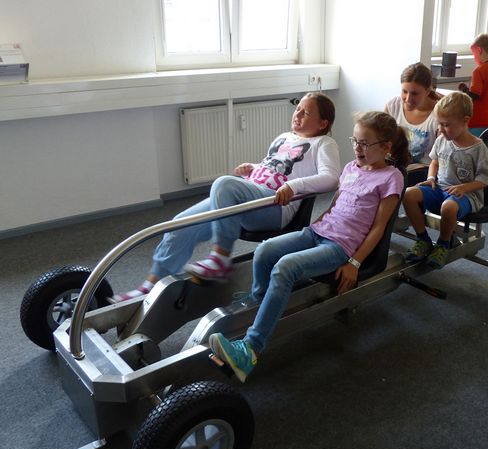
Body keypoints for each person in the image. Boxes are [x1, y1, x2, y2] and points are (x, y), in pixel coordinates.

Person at [209, 111, 409, 382]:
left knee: (285, 267)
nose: (357, 148)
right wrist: (315, 228)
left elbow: (379, 227)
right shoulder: (351, 168)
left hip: (340, 247)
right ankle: (260, 303)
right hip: (317, 232)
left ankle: (250, 350)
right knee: (265, 250)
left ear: (385, 147)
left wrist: (354, 262)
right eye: (355, 141)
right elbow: (336, 206)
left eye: (365, 143)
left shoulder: (391, 177)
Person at [110, 92, 341, 302]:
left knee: (224, 184)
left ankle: (219, 258)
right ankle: (150, 285)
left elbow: (331, 178)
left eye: (305, 113)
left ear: (323, 123)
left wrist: (294, 186)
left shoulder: (324, 143)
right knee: (180, 223)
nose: (297, 115)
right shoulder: (284, 137)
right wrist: (253, 168)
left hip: (274, 206)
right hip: (251, 196)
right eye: (297, 109)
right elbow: (275, 167)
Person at [402, 91, 488, 269]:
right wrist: (430, 178)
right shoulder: (442, 140)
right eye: (439, 124)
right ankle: (423, 240)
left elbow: (485, 180)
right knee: (409, 194)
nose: (441, 129)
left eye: (446, 125)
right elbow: (435, 162)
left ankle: (443, 245)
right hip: (440, 188)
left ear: (465, 121)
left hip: (467, 196)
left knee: (449, 207)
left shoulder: (478, 148)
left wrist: (463, 188)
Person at [385, 62, 440, 185]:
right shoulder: (392, 106)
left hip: (425, 173)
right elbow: (381, 142)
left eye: (414, 94)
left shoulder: (439, 115)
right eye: (404, 91)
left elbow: (443, 157)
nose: (408, 99)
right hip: (396, 166)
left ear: (427, 91)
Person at [458, 33, 488, 137]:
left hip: (476, 120)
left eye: (474, 54)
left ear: (479, 50)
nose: (474, 57)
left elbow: (475, 95)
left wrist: (464, 89)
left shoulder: (479, 71)